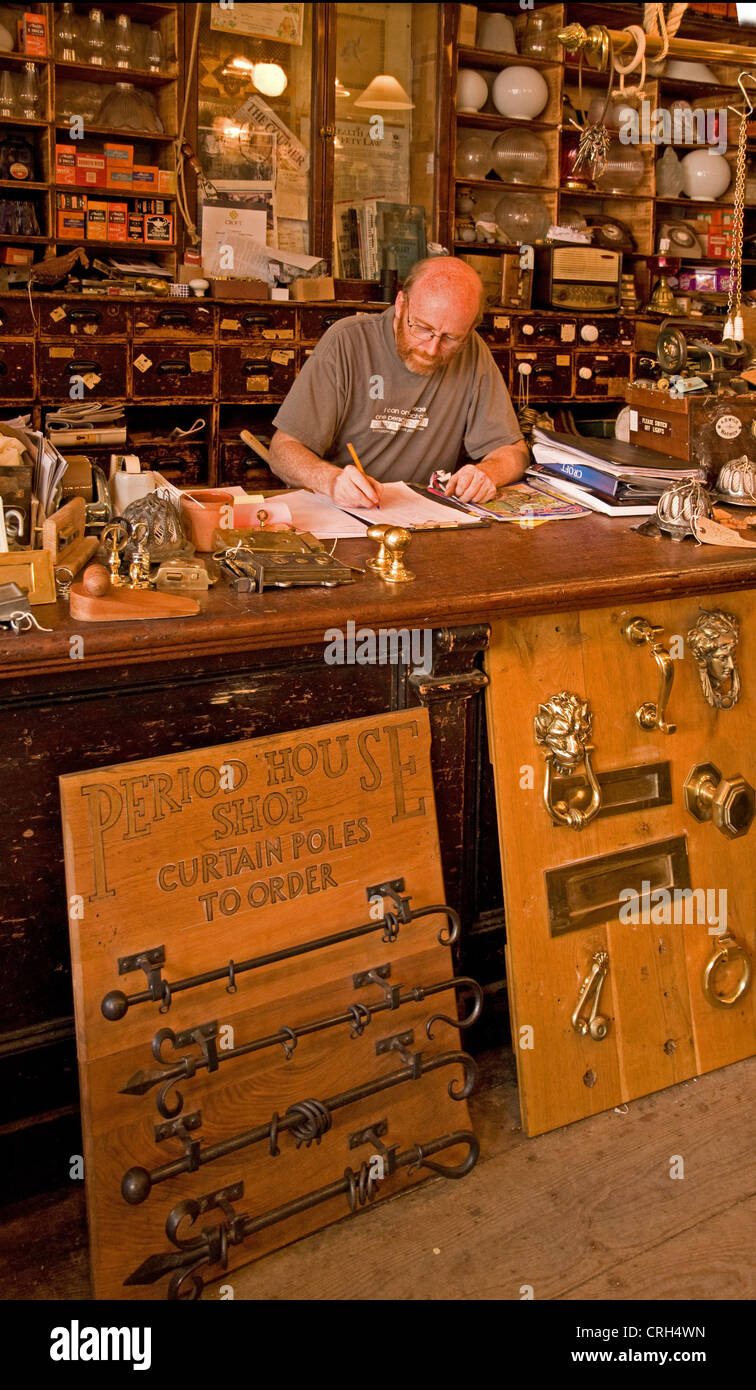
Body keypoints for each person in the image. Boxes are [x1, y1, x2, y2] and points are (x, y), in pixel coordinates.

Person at [268, 256, 529, 508]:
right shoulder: (347, 342)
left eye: (450, 338)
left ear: (470, 330)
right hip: (347, 513)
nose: (432, 348)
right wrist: (330, 480)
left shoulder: (473, 350)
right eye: (422, 328)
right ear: (401, 304)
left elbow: (514, 453)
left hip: (427, 513)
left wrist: (487, 473)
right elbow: (282, 450)